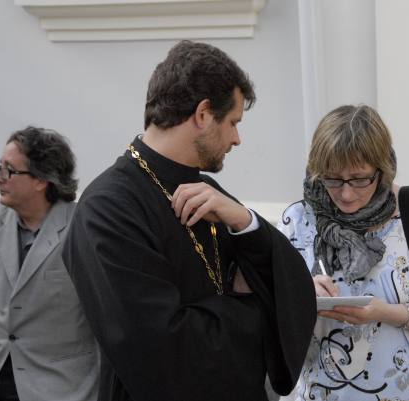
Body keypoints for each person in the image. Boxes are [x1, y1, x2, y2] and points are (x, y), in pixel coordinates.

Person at [61, 40, 317, 401]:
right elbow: (159, 348)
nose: (237, 139)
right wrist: (252, 307)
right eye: (233, 123)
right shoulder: (107, 208)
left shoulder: (209, 192)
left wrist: (246, 222)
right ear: (203, 114)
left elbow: (290, 285)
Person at [278, 105, 409, 401]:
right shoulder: (298, 220)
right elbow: (268, 313)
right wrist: (300, 294)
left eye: (359, 179)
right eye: (333, 179)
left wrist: (386, 313)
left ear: (382, 169)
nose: (346, 193)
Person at [0, 127, 99, 401]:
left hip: (60, 389)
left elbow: (102, 321)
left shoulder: (83, 228)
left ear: (41, 180)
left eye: (9, 171)